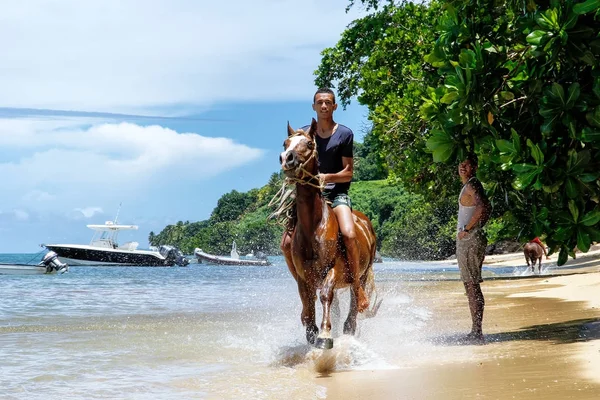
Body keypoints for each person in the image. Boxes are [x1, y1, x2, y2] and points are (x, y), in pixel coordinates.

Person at [282, 87, 369, 313]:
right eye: (319, 102)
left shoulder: (344, 134)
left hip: (336, 194)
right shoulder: (303, 134)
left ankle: (358, 287)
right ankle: (305, 293)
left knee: (349, 234)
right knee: (286, 244)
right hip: (309, 196)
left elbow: (348, 172)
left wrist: (327, 177)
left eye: (328, 102)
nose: (323, 106)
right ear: (313, 106)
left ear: (334, 107)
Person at [456, 154, 492, 344]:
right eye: (461, 164)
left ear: (474, 167)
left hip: (469, 240)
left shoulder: (472, 184)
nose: (462, 167)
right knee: (471, 285)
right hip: (471, 238)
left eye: (467, 165)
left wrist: (468, 229)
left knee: (471, 285)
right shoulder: (470, 185)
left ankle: (477, 331)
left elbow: (483, 205)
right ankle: (475, 330)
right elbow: (488, 207)